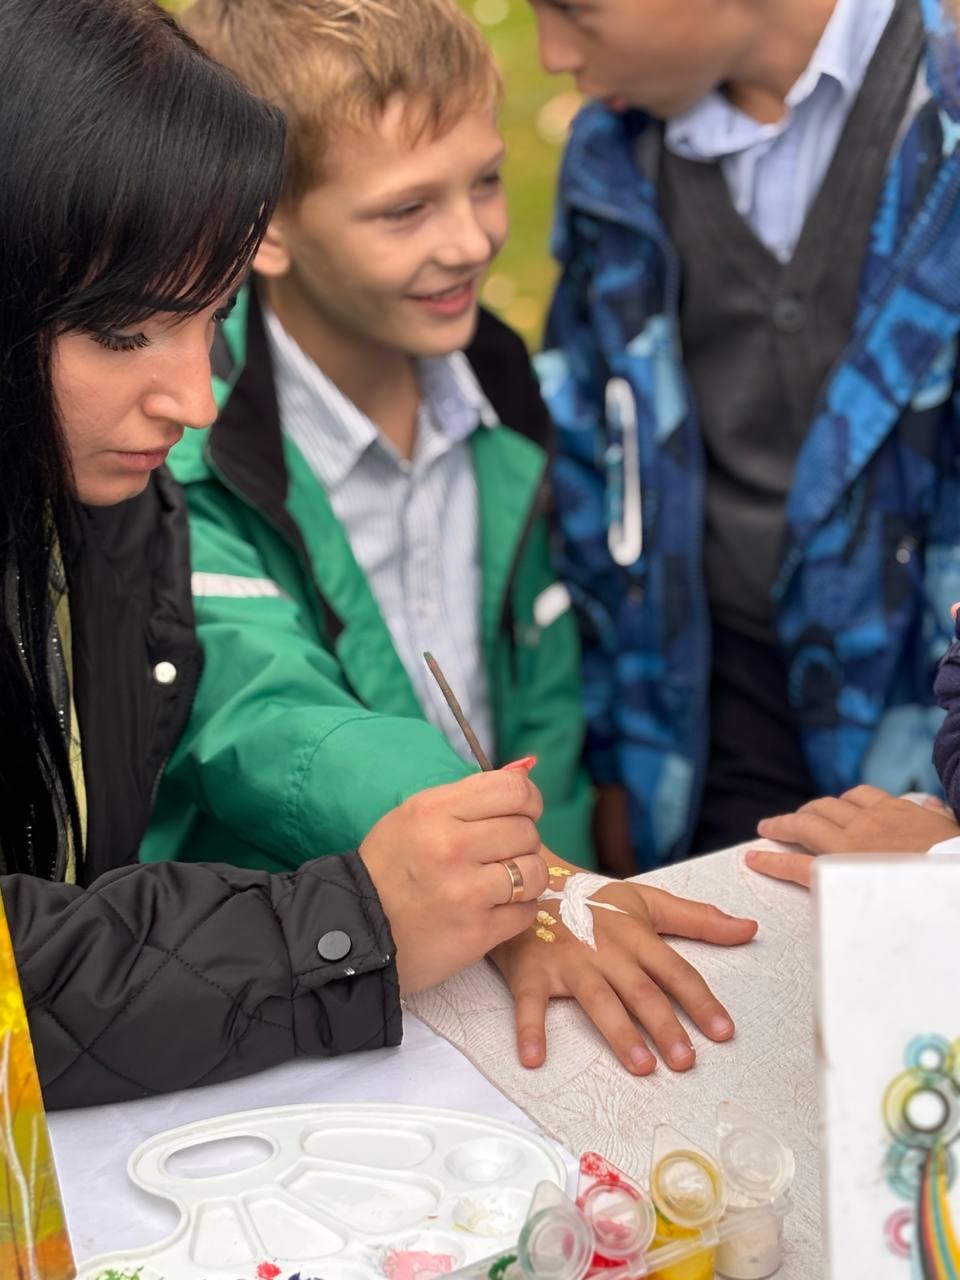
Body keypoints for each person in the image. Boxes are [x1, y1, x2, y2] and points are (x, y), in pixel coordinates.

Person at [145, 0, 759, 1080]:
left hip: (535, 946)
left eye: (482, 181)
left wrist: (558, 880)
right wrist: (532, 879)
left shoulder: (511, 392)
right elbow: (270, 713)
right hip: (299, 988)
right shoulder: (187, 433)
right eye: (403, 210)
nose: (470, 240)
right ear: (264, 227)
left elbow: (543, 699)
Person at [0, 0, 555, 1110]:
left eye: (211, 320)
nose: (191, 399)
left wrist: (499, 875)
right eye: (123, 333)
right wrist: (348, 923)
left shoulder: (111, 503)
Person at [530, 0, 960, 873]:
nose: (550, 52)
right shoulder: (611, 159)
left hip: (932, 742)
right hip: (715, 738)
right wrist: (617, 760)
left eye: (574, 11)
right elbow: (585, 473)